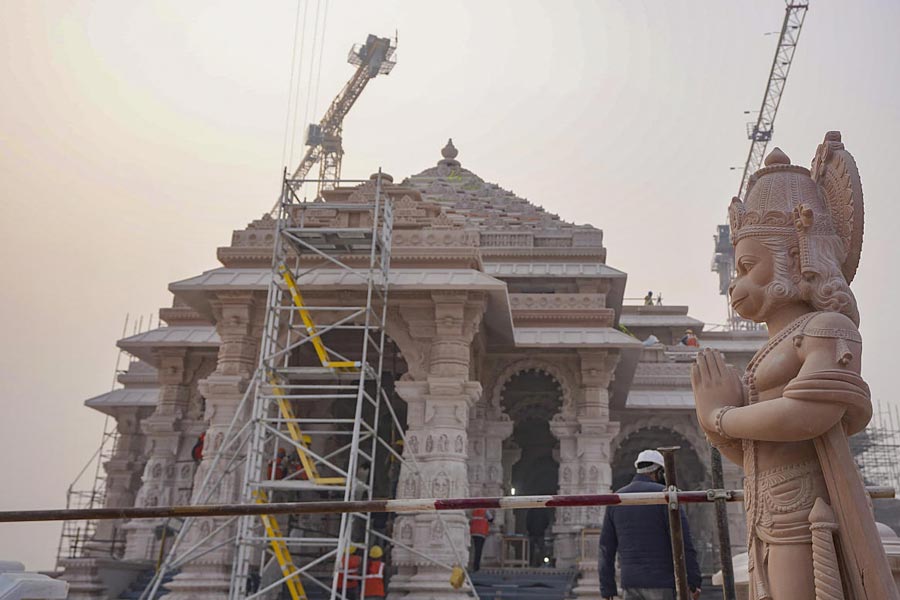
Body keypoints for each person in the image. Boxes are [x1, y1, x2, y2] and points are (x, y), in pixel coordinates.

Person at [599, 450, 701, 600]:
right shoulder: (665, 497)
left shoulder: (617, 499)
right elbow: (683, 542)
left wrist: (607, 590)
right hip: (662, 583)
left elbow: (606, 549)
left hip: (630, 583)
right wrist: (694, 581)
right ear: (659, 472)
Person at [469, 507, 493, 572]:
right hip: (481, 533)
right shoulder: (485, 510)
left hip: (474, 532)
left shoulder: (474, 510)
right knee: (478, 551)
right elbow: (491, 519)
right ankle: (476, 567)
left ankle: (472, 565)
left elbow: (470, 520)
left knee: (473, 550)